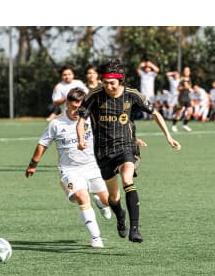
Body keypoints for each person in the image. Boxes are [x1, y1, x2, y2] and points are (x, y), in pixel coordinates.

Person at [77, 59, 181, 243]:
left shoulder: (132, 94)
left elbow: (155, 113)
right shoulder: (94, 95)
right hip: (103, 151)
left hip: (127, 146)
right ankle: (120, 215)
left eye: (112, 83)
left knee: (127, 179)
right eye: (105, 82)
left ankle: (135, 229)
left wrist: (168, 137)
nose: (108, 86)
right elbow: (81, 121)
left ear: (120, 81)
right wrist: (80, 139)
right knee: (113, 197)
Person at [25, 88, 113, 248]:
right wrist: (33, 165)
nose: (76, 111)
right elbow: (42, 144)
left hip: (93, 167)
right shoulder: (56, 123)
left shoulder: (91, 118)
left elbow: (111, 132)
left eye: (80, 108)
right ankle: (96, 238)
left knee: (110, 201)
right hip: (70, 170)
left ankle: (102, 204)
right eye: (73, 107)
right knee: (82, 197)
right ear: (66, 104)